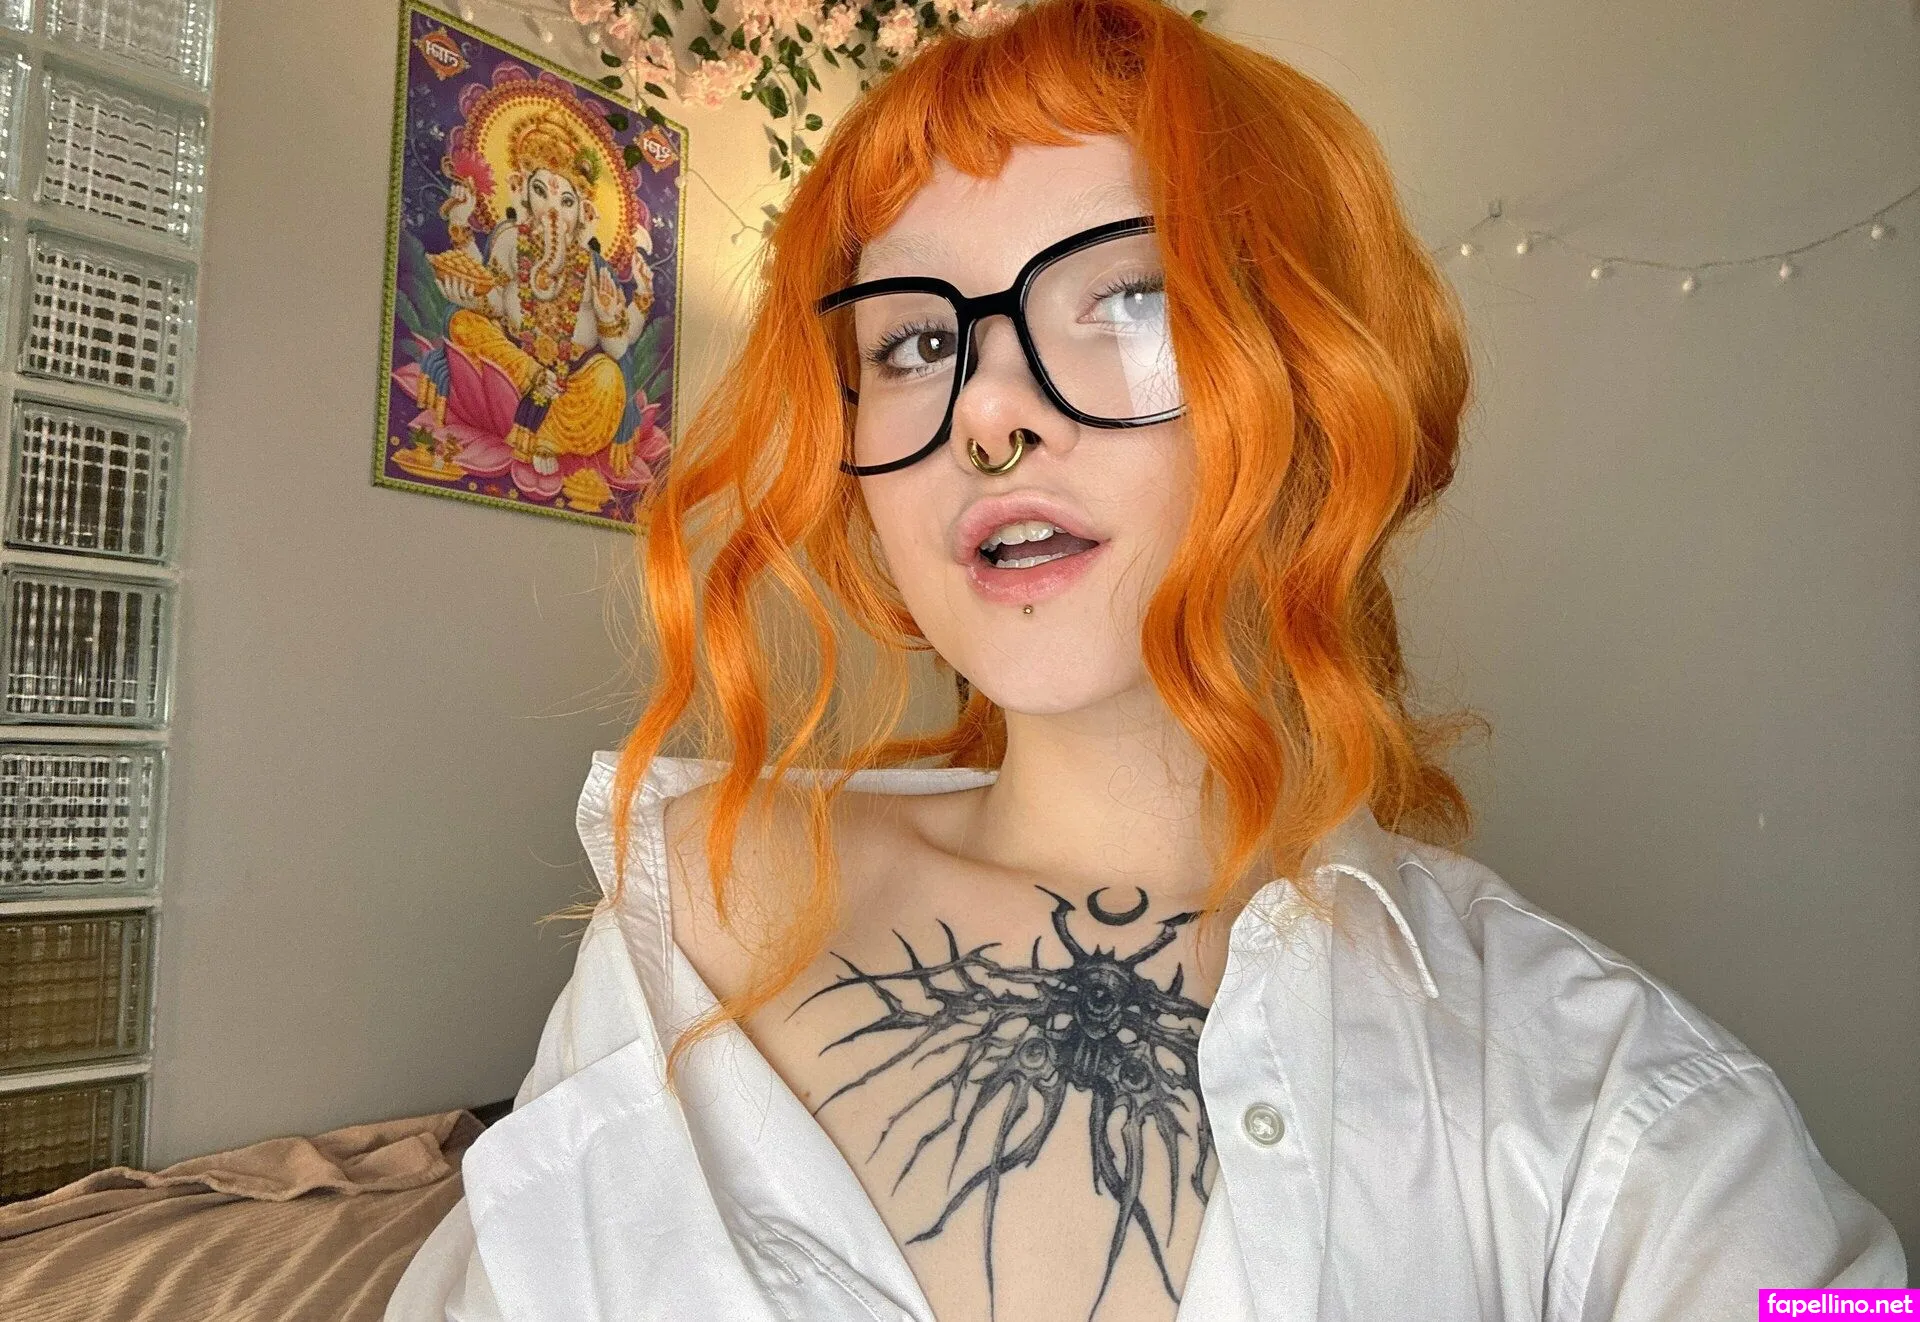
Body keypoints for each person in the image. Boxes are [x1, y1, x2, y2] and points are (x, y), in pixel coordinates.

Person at [385, 0, 1906, 1317]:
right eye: (916, 342)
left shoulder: (1610, 1095)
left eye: (1127, 295)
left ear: (1316, 379)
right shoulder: (691, 904)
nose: (989, 411)